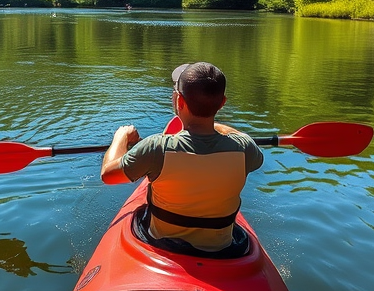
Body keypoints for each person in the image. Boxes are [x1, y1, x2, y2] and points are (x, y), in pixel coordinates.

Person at [100, 62, 264, 256]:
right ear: (222, 103)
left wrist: (122, 136)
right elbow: (240, 138)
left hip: (161, 244)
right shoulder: (245, 149)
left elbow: (108, 175)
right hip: (223, 250)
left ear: (179, 101)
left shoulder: (156, 148)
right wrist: (213, 123)